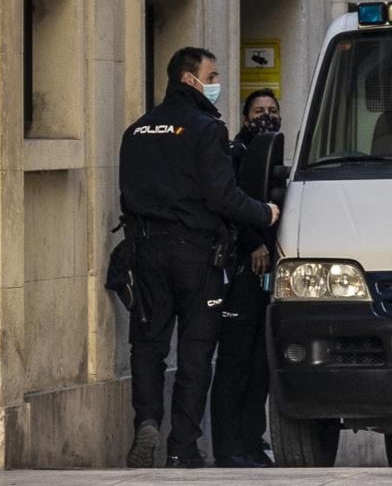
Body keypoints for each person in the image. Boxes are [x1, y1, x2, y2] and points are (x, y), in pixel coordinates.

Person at [118, 47, 280, 469]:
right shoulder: (206, 128)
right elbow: (223, 196)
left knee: (148, 347)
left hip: (144, 251)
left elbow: (128, 195)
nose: (216, 82)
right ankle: (181, 447)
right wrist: (265, 212)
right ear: (190, 80)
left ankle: (148, 420)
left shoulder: (136, 130)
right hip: (195, 255)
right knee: (195, 353)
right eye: (212, 74)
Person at [209, 89, 282, 468]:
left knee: (260, 366)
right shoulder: (235, 154)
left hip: (272, 275)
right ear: (245, 116)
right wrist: (254, 243)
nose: (265, 116)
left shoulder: (279, 155)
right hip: (241, 272)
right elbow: (232, 205)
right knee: (235, 363)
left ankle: (253, 443)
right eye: (258, 110)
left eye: (272, 110)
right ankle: (228, 447)